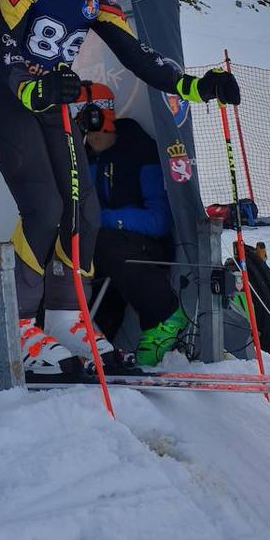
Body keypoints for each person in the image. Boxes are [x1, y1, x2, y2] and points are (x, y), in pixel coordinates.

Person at [0, 0, 240, 376]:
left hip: (53, 106)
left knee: (85, 212)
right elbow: (6, 52)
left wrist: (198, 86)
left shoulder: (96, 0)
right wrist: (34, 91)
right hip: (11, 105)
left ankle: (64, 317)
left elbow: (138, 57)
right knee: (45, 209)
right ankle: (10, 326)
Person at [78, 82, 189, 366]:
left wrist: (107, 219)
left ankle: (164, 316)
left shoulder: (138, 150)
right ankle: (83, 337)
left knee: (104, 241)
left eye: (93, 127)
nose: (89, 137)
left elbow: (160, 220)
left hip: (148, 250)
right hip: (107, 256)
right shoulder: (85, 158)